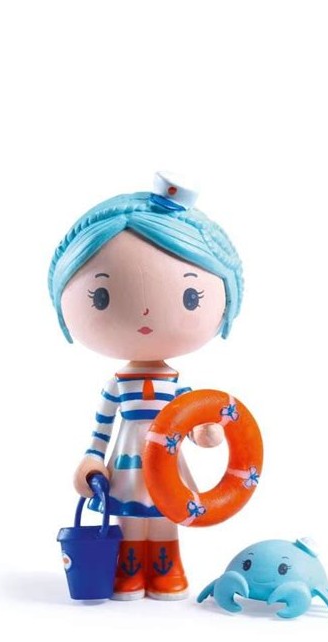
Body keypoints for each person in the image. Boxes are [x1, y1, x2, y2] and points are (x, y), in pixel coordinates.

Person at [49, 172, 243, 600]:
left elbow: (193, 422)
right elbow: (101, 430)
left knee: (168, 513)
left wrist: (205, 432)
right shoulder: (118, 384)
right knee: (131, 520)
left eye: (191, 298)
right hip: (128, 462)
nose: (146, 318)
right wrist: (91, 459)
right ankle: (129, 569)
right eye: (100, 298)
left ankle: (167, 568)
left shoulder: (177, 385)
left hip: (168, 461)